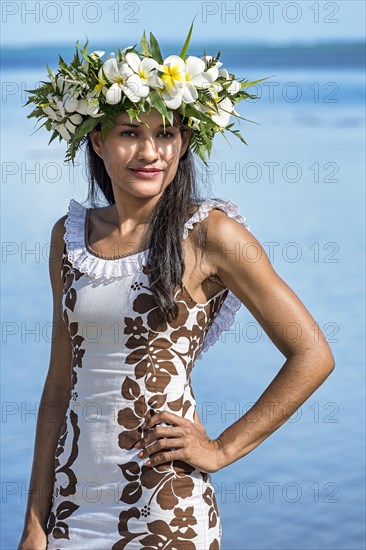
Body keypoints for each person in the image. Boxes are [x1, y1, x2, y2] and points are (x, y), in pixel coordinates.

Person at [18, 27, 335, 550]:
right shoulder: (70, 237)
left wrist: (222, 449)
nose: (150, 152)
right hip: (73, 504)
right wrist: (36, 517)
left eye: (166, 134)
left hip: (164, 503)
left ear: (184, 142)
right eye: (128, 133)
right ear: (97, 142)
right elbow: (58, 385)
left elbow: (312, 354)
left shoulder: (211, 234)